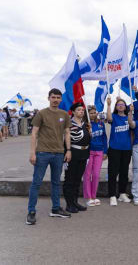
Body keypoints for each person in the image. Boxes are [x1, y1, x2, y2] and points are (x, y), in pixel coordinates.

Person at [26, 89, 71, 225]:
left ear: (61, 99)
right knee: (37, 183)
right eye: (53, 97)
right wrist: (32, 152)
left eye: (58, 97)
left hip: (58, 153)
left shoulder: (64, 114)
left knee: (56, 182)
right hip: (43, 153)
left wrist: (68, 150)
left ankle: (55, 209)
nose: (56, 99)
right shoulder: (41, 114)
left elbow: (67, 133)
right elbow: (34, 133)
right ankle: (31, 211)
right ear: (48, 98)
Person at [63, 103, 91, 213]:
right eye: (79, 110)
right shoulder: (68, 124)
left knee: (77, 179)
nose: (81, 112)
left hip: (83, 153)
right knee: (70, 179)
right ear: (73, 112)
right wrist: (67, 152)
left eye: (83, 110)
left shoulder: (86, 124)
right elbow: (64, 140)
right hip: (72, 153)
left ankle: (75, 202)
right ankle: (69, 204)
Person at [106, 96, 132, 206]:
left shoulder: (129, 117)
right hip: (114, 148)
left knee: (124, 172)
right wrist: (108, 105)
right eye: (118, 104)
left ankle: (122, 193)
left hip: (126, 149)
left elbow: (132, 126)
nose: (120, 106)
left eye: (122, 104)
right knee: (113, 172)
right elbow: (109, 118)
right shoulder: (114, 117)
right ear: (116, 107)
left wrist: (130, 111)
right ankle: (112, 195)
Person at [84, 105, 108, 207]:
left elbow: (104, 138)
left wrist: (105, 151)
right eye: (91, 113)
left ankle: (94, 196)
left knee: (96, 175)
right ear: (87, 114)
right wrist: (88, 132)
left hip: (99, 152)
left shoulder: (101, 124)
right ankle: (88, 197)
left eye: (94, 112)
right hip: (88, 152)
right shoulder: (85, 125)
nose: (93, 114)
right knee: (87, 175)